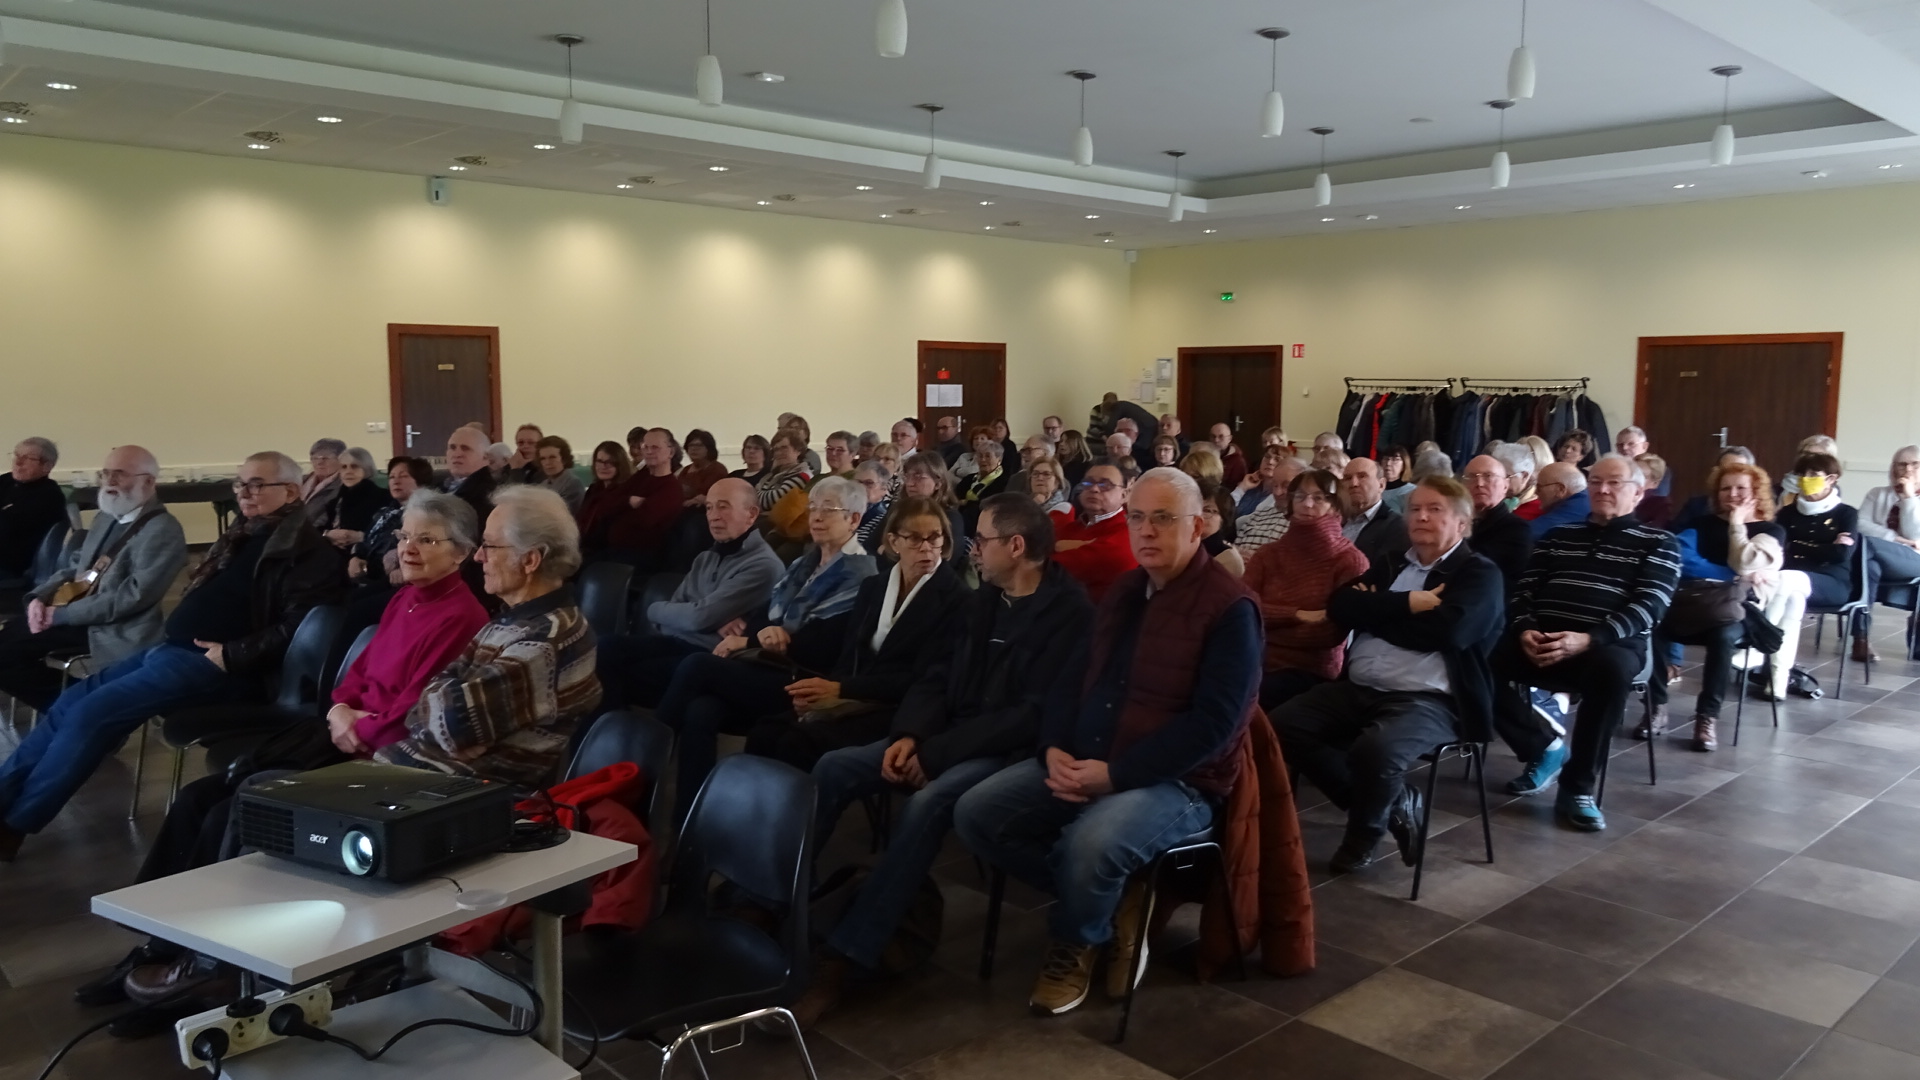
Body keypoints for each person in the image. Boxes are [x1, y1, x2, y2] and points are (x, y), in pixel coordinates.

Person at [87, 491, 495, 1013]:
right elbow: (357, 675)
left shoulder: (461, 615)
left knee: (232, 810)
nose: (408, 549)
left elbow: (413, 711)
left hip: (377, 757)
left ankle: (212, 968)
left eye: (427, 540)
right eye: (404, 536)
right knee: (196, 799)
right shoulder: (404, 598)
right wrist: (341, 709)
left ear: (461, 553)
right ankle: (159, 942)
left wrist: (357, 726)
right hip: (339, 734)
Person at [954, 469, 1259, 1016]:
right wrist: (1054, 747)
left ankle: (1077, 938)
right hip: (1089, 756)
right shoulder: (1125, 590)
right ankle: (1114, 903)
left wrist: (1116, 775)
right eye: (1137, 517)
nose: (1145, 530)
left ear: (1197, 528)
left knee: (1089, 844)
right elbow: (1072, 679)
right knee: (977, 813)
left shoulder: (1230, 608)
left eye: (1162, 518)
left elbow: (1214, 726)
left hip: (1179, 780)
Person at [799, 493, 1092, 1024]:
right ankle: (777, 902)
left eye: (981, 539)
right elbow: (936, 678)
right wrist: (910, 735)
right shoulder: (983, 600)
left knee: (927, 804)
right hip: (944, 735)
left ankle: (844, 955)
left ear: (1016, 546)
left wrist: (935, 753)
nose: (971, 549)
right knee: (834, 767)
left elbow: (1031, 715)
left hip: (1002, 751)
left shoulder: (1069, 613)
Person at [0, 452, 345, 861]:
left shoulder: (306, 550)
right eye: (240, 484)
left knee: (89, 714)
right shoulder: (245, 532)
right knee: (68, 704)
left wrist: (231, 654)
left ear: (289, 491)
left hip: (214, 664)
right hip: (170, 649)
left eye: (256, 485)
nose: (244, 493)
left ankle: (14, 825)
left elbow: (299, 626)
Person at [1274, 478, 1503, 874]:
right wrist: (1409, 603)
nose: (1421, 517)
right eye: (1414, 509)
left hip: (1428, 699)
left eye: (1434, 509)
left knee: (1376, 750)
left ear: (1462, 523)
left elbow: (1450, 632)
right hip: (1359, 687)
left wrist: (1376, 613)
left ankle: (1363, 835)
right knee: (1281, 725)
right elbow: (1341, 604)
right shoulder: (1392, 563)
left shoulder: (1478, 574)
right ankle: (1393, 802)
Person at [656, 477, 878, 824]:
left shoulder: (862, 576)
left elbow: (825, 647)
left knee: (698, 665)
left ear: (854, 519)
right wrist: (759, 631)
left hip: (804, 679)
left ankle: (646, 762)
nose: (816, 516)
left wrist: (753, 640)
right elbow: (766, 615)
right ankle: (691, 819)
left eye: (829, 509)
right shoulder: (804, 564)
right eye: (813, 508)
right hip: (768, 669)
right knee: (701, 710)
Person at [1494, 455, 1680, 830]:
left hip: (1610, 645)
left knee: (1610, 671)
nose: (1602, 489)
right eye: (1595, 482)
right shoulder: (1558, 536)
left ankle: (1577, 787)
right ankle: (1542, 745)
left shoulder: (1659, 542)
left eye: (1613, 483)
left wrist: (1589, 639)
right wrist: (1524, 628)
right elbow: (1523, 591)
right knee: (1472, 653)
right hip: (1542, 637)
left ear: (1638, 493)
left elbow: (1650, 606)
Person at [377, 485, 601, 782]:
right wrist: (441, 712)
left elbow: (451, 721)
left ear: (530, 560)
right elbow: (431, 699)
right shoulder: (512, 620)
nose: (479, 556)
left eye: (490, 546)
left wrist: (442, 715)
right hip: (428, 776)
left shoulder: (547, 640)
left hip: (473, 793)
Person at [743, 497, 969, 772]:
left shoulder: (957, 599)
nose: (926, 547)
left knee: (798, 743)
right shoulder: (874, 586)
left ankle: (805, 802)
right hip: (852, 693)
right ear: (894, 542)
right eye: (914, 538)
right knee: (764, 732)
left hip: (898, 707)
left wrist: (843, 691)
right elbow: (850, 653)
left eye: (934, 537)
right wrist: (824, 695)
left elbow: (923, 679)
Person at [0, 446, 187, 712]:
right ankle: (77, 707)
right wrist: (38, 598)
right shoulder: (106, 516)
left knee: (6, 656)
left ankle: (81, 710)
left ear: (148, 481)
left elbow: (132, 598)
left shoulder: (163, 530)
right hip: (74, 611)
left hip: (112, 628)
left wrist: (60, 615)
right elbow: (74, 567)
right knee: (7, 644)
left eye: (119, 474)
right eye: (105, 473)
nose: (109, 481)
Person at [1651, 462, 1808, 749]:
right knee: (1653, 625)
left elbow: (1746, 561)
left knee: (1722, 636)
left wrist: (1737, 525)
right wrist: (1732, 577)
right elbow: (1681, 559)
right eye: (1725, 488)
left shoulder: (1771, 531)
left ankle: (1706, 717)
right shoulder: (1701, 524)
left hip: (1739, 611)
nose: (1732, 494)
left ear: (1756, 492)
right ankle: (1656, 707)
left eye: (1740, 488)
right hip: (1696, 603)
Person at [594, 478, 785, 711]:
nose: (713, 516)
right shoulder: (706, 557)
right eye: (709, 507)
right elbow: (669, 610)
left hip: (709, 654)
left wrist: (690, 616)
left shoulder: (763, 565)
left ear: (751, 514)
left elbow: (698, 617)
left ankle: (620, 727)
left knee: (625, 673)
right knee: (606, 647)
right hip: (678, 641)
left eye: (723, 507)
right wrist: (663, 611)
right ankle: (606, 727)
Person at [1244, 468, 1370, 711]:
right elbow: (1242, 609)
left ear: (1336, 506)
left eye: (1319, 497)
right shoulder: (1267, 554)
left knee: (1246, 698)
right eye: (1300, 496)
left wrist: (1264, 625)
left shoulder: (1350, 561)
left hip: (1310, 670)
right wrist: (1297, 615)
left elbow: (1327, 634)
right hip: (1253, 659)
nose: (1307, 504)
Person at [345, 456, 434, 626]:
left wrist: (400, 566)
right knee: (338, 598)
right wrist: (355, 556)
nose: (395, 481)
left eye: (403, 476)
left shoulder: (425, 514)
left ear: (421, 482)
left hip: (397, 579)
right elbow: (367, 539)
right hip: (370, 573)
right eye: (392, 477)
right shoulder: (386, 511)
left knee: (357, 608)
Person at [1858, 446, 1920, 660]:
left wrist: (1909, 498)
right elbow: (1860, 524)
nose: (1908, 469)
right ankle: (1861, 638)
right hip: (1878, 555)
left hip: (1914, 561)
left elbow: (1915, 533)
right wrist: (1895, 539)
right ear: (1893, 468)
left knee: (1865, 547)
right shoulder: (1877, 494)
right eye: (1902, 464)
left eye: (1915, 464)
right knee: (1868, 566)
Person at [1051, 463, 1136, 603]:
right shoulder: (1072, 527)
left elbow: (1047, 570)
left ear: (1124, 495)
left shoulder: (1126, 535)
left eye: (1105, 485)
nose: (1094, 489)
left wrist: (1056, 546)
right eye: (1088, 482)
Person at [1463, 454, 1534, 592]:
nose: (1479, 483)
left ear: (1505, 486)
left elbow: (1473, 567)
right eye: (1471, 477)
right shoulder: (1456, 523)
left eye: (1488, 476)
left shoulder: (1516, 529)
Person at [1, 437, 66, 580]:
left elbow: (7, 529)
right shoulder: (6, 481)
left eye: (27, 458)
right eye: (16, 455)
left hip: (12, 569)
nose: (18, 462)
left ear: (47, 466)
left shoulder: (49, 496)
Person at [900, 452, 968, 565]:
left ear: (938, 484)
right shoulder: (899, 510)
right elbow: (872, 546)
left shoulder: (950, 517)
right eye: (907, 476)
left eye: (918, 477)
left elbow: (948, 559)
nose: (909, 483)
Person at [320, 447, 395, 550]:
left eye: (354, 466)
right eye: (343, 467)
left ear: (367, 468)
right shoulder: (336, 501)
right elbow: (319, 529)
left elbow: (389, 533)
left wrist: (361, 536)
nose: (348, 471)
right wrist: (327, 534)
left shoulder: (383, 498)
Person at [1340, 457, 1408, 570]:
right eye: (1347, 478)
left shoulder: (1396, 526)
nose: (1353, 483)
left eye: (1362, 476)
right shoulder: (1334, 521)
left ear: (1381, 485)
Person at [1234, 453, 1307, 556]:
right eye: (1275, 485)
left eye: (1286, 486)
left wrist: (1259, 560)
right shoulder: (1256, 516)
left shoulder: (1306, 522)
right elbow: (1233, 552)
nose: (1277, 493)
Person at [578, 441, 636, 553]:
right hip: (585, 546)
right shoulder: (594, 489)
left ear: (620, 465)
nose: (603, 467)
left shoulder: (626, 491)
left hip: (610, 550)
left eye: (610, 462)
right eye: (599, 461)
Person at [957, 439, 1008, 535]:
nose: (983, 459)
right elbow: (955, 496)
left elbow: (989, 503)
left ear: (999, 460)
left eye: (988, 456)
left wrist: (966, 502)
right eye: (980, 456)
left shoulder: (1004, 481)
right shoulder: (969, 478)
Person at [1526, 462, 1590, 538]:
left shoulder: (1575, 508)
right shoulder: (1584, 499)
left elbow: (1525, 534)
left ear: (1560, 490)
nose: (1535, 492)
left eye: (1539, 487)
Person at [755, 430, 813, 510]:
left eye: (784, 448)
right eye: (776, 449)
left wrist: (757, 495)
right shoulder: (771, 476)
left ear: (798, 450)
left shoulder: (802, 475)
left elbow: (775, 501)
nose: (779, 453)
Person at [1384, 448, 1451, 514]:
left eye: (1395, 460)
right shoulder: (1409, 494)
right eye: (1386, 459)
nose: (1388, 463)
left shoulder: (1410, 493)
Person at [298, 438, 347, 529]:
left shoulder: (344, 486)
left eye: (325, 458)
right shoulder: (300, 480)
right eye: (315, 458)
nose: (319, 462)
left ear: (341, 460)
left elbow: (328, 520)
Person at [1200, 489, 1245, 578]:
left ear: (1224, 518)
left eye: (1207, 510)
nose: (1198, 515)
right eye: (1194, 508)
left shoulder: (1228, 559)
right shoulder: (1185, 546)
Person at [533, 436, 585, 514]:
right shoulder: (542, 485)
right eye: (543, 458)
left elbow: (562, 514)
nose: (547, 462)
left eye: (552, 457)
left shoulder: (572, 483)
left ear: (564, 459)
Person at [679, 428, 728, 507]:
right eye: (691, 445)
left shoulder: (717, 469)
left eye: (699, 445)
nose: (694, 449)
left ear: (709, 449)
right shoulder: (685, 470)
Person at [853, 460, 895, 554]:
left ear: (884, 489)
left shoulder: (883, 520)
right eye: (858, 482)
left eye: (869, 483)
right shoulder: (845, 512)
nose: (861, 487)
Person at [1493, 443, 1540, 518]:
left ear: (1524, 476)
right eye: (1495, 476)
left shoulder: (1536, 509)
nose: (1499, 484)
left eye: (1506, 477)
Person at [1211, 423, 1249, 490]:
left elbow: (1236, 488)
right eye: (1213, 436)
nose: (1216, 440)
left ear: (1229, 439)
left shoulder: (1237, 461)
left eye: (1221, 437)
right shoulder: (1205, 455)